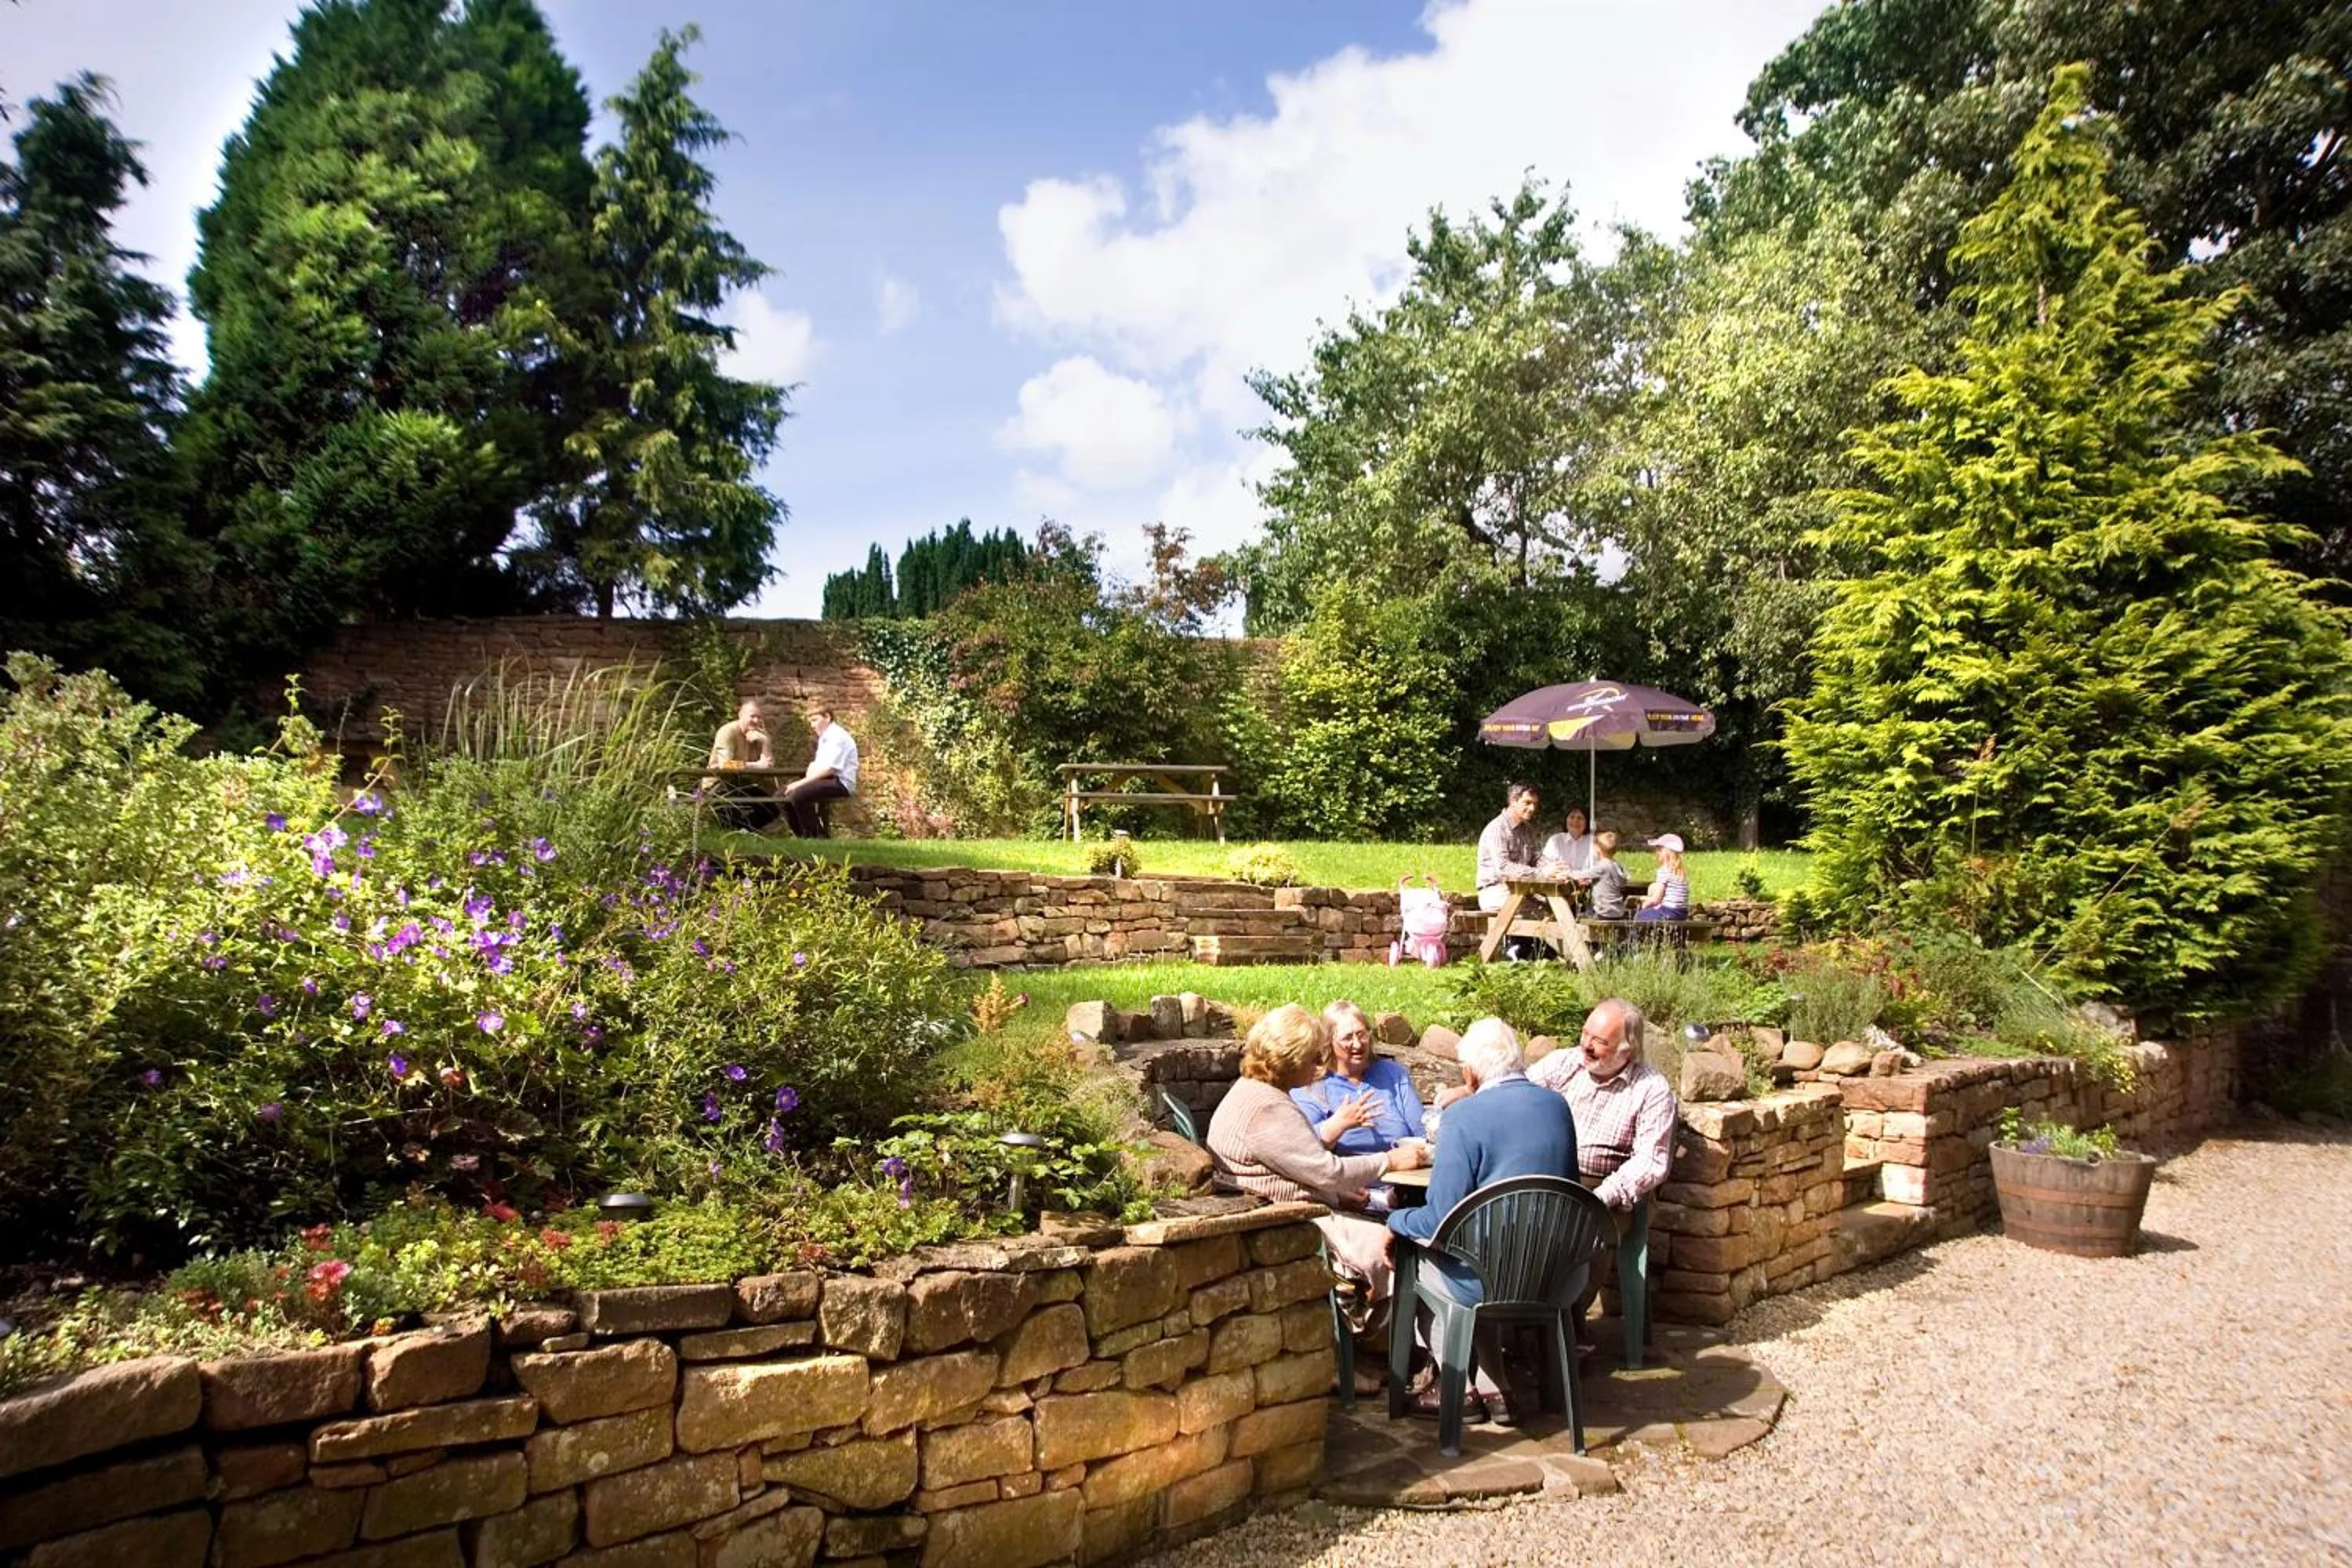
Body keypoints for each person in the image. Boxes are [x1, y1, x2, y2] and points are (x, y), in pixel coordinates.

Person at [1387, 1018, 1577, 1425]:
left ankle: (1460, 1391)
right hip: (1556, 1273)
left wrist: (1396, 1221)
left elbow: (1438, 1220)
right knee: (1485, 1248)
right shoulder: (1557, 1105)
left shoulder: (1464, 1118)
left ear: (1470, 1073)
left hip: (1485, 1277)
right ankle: (1498, 1388)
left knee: (1426, 1262)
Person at [1208, 1004, 1429, 1314]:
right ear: (1289, 1060)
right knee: (1397, 1250)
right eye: (1313, 1056)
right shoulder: (1268, 1109)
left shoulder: (1257, 1091)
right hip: (1292, 1222)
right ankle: (1399, 1346)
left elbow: (1299, 1159)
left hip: (1295, 1208)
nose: (1319, 1064)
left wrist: (1336, 1193)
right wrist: (1389, 1161)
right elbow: (1328, 1172)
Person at [1528, 997, 1679, 1343]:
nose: (1587, 1045)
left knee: (1583, 1229)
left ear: (1628, 1050)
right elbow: (1517, 1093)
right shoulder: (1567, 1063)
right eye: (1585, 1034)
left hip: (1611, 1190)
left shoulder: (1651, 1089)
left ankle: (1562, 1335)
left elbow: (1650, 1162)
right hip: (1553, 1174)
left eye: (1600, 1042)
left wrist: (1601, 1196)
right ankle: (1516, 1323)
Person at [1291, 1001, 1428, 1157]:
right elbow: (1300, 1145)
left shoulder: (1392, 1074)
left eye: (1362, 1034)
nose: (1357, 1044)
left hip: (1404, 1175)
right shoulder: (1313, 1084)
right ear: (1328, 1042)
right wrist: (1337, 1125)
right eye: (1347, 1038)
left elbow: (1421, 1133)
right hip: (1349, 1177)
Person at [782, 706, 859, 838]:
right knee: (781, 795)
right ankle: (803, 836)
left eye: (815, 720)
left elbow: (830, 770)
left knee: (798, 794)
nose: (812, 725)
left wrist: (799, 784)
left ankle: (815, 836)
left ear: (828, 717)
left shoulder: (837, 736)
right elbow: (818, 767)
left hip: (840, 782)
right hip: (827, 779)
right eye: (811, 722)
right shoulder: (825, 738)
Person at [704, 699, 778, 832]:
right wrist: (756, 766)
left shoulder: (762, 735)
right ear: (741, 715)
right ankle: (736, 831)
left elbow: (768, 767)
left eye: (759, 717)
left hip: (743, 784)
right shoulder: (728, 732)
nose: (756, 720)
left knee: (772, 809)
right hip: (719, 787)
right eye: (752, 716)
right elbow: (725, 764)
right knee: (729, 816)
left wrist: (766, 742)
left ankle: (742, 831)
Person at [1634, 833, 1691, 922]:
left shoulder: (1664, 871)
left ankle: (1634, 936)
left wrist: (1645, 904)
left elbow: (1656, 899)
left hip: (1669, 911)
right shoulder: (1681, 872)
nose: (1657, 853)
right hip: (1681, 913)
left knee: (1640, 916)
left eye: (1658, 850)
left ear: (1663, 853)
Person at [1582, 831, 1634, 920]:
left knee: (1583, 915)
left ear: (1598, 848)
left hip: (1603, 910)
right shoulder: (1616, 865)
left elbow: (1583, 875)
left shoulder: (1602, 867)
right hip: (1617, 910)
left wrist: (1567, 873)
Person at [1540, 805, 1599, 882]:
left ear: (1587, 822)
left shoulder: (1594, 842)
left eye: (1580, 818)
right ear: (1566, 820)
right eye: (1572, 817)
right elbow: (1545, 866)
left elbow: (1600, 869)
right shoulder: (1555, 840)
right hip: (1559, 886)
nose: (1575, 821)